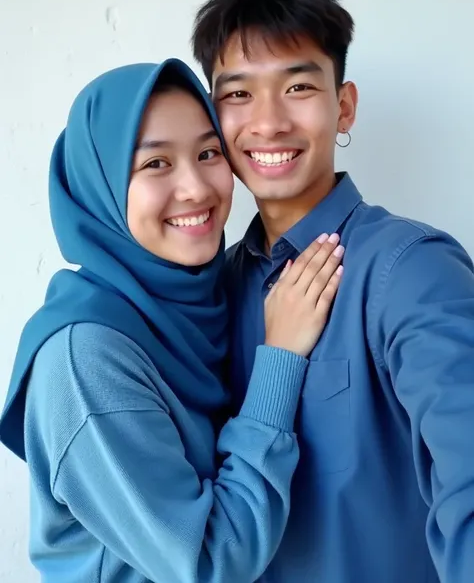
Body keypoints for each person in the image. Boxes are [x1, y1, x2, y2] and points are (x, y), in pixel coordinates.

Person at [0, 59, 344, 583]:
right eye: (156, 164)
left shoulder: (203, 303)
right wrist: (279, 360)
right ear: (103, 189)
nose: (196, 189)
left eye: (208, 153)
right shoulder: (85, 360)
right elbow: (209, 565)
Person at [191, 0, 474, 583]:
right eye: (238, 93)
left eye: (297, 88)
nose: (267, 122)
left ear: (343, 107)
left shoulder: (412, 268)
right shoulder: (211, 290)